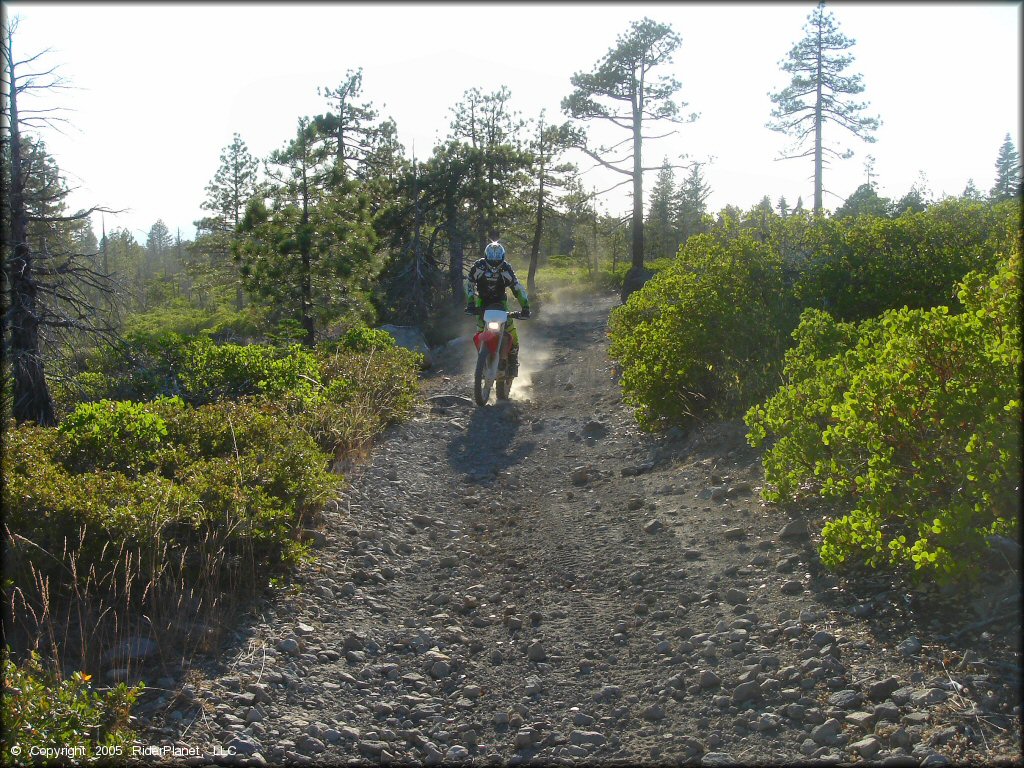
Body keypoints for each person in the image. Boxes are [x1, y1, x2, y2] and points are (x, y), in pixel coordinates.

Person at [465, 241, 530, 375]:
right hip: (482, 302)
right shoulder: (479, 266)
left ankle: (513, 360)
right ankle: (482, 360)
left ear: (502, 257)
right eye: (492, 260)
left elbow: (516, 287)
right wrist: (470, 303)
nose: (494, 264)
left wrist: (525, 307)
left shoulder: (506, 268)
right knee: (479, 330)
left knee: (511, 329)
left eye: (497, 260)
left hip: (500, 303)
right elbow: (469, 284)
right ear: (486, 256)